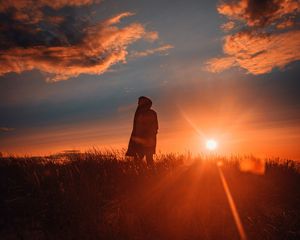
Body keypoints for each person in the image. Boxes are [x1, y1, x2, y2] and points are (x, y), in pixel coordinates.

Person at [126, 96, 158, 166]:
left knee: (147, 159)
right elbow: (136, 128)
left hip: (147, 140)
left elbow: (155, 128)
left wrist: (149, 137)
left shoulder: (150, 113)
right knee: (138, 160)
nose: (138, 104)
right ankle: (141, 174)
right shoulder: (139, 113)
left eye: (140, 102)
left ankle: (151, 174)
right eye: (138, 103)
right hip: (140, 141)